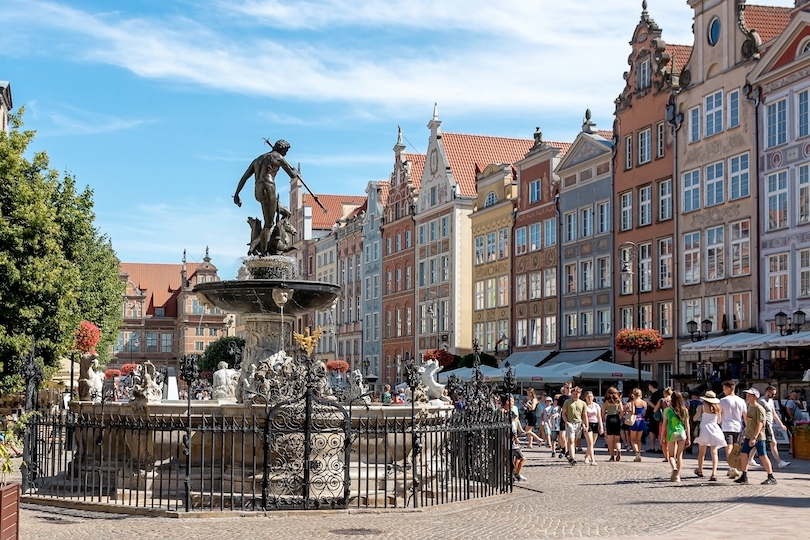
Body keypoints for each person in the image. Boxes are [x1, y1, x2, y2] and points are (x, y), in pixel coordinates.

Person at [735, 388, 776, 485]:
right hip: (749, 435)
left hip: (759, 437)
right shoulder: (749, 407)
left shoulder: (759, 408)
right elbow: (749, 423)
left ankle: (771, 476)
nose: (747, 397)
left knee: (763, 456)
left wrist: (754, 437)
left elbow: (760, 424)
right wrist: (745, 435)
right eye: (747, 395)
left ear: (755, 397)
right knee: (744, 454)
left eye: (749, 395)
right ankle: (744, 475)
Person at [693, 390, 725, 481]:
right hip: (714, 429)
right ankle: (714, 473)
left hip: (704, 429)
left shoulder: (702, 407)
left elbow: (695, 418)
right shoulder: (718, 407)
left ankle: (700, 470)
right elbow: (719, 421)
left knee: (701, 452)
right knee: (714, 452)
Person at [719, 380, 747, 479]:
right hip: (738, 427)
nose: (723, 391)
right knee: (736, 448)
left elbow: (719, 415)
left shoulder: (722, 401)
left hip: (727, 426)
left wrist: (718, 422)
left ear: (729, 389)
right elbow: (745, 416)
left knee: (729, 448)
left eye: (724, 389)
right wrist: (747, 427)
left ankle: (732, 467)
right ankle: (734, 466)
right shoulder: (741, 401)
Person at [758, 385, 790, 469]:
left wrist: (781, 424)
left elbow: (774, 413)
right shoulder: (761, 401)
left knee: (760, 442)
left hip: (769, 424)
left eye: (774, 394)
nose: (774, 395)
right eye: (772, 394)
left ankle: (749, 458)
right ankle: (779, 462)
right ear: (767, 392)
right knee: (773, 443)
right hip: (765, 424)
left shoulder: (771, 401)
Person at [664, 391, 690, 482]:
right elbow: (687, 425)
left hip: (672, 433)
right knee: (680, 455)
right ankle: (678, 476)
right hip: (682, 433)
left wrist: (663, 436)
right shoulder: (685, 410)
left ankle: (674, 468)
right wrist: (689, 437)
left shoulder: (667, 410)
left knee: (671, 455)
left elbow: (664, 425)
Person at [561, 387, 588, 465]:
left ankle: (570, 456)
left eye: (577, 394)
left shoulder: (583, 403)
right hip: (570, 423)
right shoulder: (567, 402)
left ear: (580, 394)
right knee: (571, 440)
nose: (575, 395)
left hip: (579, 423)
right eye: (574, 394)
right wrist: (566, 422)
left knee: (575, 441)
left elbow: (584, 415)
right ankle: (572, 458)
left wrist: (586, 425)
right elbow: (563, 413)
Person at [602, 387, 623, 461]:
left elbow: (603, 412)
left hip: (609, 419)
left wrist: (603, 419)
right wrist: (619, 417)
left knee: (610, 440)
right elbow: (622, 411)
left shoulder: (606, 402)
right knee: (617, 439)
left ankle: (612, 456)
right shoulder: (618, 401)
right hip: (616, 418)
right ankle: (618, 449)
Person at [583, 391, 603, 465]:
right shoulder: (584, 405)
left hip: (595, 424)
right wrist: (584, 425)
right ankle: (593, 460)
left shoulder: (596, 406)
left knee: (592, 444)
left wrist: (601, 426)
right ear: (585, 397)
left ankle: (586, 457)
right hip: (588, 424)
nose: (590, 398)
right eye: (588, 396)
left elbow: (599, 417)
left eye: (591, 396)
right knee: (590, 442)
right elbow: (582, 417)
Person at [627, 388, 647, 462]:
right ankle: (639, 453)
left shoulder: (633, 402)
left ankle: (637, 454)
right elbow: (644, 413)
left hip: (634, 421)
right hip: (641, 421)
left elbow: (633, 412)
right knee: (639, 440)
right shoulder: (644, 403)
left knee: (633, 440)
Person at [556, 383, 573, 460]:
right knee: (562, 436)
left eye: (570, 388)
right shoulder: (561, 398)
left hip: (571, 418)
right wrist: (557, 413)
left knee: (570, 437)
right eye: (567, 388)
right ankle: (563, 449)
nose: (568, 389)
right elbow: (559, 408)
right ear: (564, 388)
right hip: (563, 418)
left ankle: (568, 451)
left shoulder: (573, 397)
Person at [509, 411, 527, 482]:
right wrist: (516, 439)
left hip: (512, 445)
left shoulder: (512, 423)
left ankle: (514, 474)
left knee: (513, 461)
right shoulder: (511, 424)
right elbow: (513, 433)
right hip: (514, 445)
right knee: (523, 458)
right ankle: (517, 474)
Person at [647, 381, 663, 453]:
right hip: (656, 415)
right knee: (655, 431)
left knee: (654, 431)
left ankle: (655, 447)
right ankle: (656, 447)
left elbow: (655, 405)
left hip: (655, 414)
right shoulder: (658, 393)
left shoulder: (656, 394)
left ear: (651, 386)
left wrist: (648, 401)